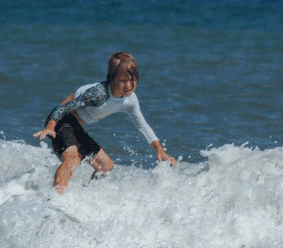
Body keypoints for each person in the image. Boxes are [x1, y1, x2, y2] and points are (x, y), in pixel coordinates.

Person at [33, 52, 176, 194]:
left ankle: (88, 196)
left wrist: (158, 148)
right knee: (72, 159)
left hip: (76, 127)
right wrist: (50, 126)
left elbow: (142, 125)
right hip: (61, 121)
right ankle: (55, 198)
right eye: (123, 81)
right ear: (111, 79)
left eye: (133, 80)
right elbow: (64, 107)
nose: (129, 86)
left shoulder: (130, 100)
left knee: (106, 166)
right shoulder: (99, 94)